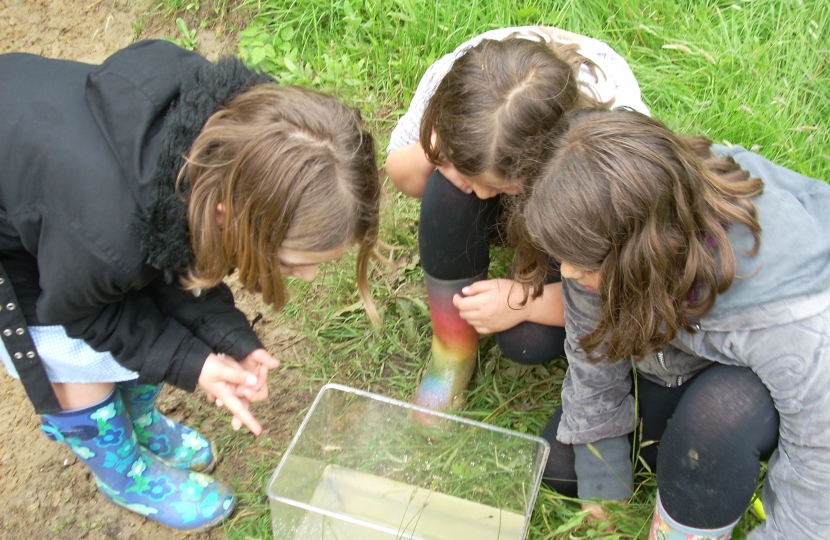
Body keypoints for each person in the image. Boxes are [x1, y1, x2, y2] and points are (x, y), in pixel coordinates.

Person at [0, 40, 380, 531]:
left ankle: (136, 421)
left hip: (59, 201)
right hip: (25, 256)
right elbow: (87, 313)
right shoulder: (109, 238)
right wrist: (190, 363)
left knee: (132, 309)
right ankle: (119, 468)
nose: (306, 276)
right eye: (292, 261)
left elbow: (177, 259)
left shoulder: (218, 143)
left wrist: (227, 339)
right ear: (228, 214)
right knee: (75, 356)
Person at [517, 108, 829, 539]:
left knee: (707, 436)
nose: (566, 272)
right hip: (693, 342)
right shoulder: (609, 222)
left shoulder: (788, 309)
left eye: (580, 262)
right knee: (565, 466)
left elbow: (819, 456)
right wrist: (605, 481)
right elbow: (594, 345)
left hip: (797, 365)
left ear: (641, 253)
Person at [385, 26, 649, 411]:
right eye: (475, 179)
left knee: (527, 339)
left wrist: (527, 302)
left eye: (501, 187)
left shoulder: (610, 151)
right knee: (448, 191)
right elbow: (400, 173)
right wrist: (442, 153)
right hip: (520, 168)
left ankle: (541, 256)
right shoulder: (458, 84)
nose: (482, 195)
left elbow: (626, 284)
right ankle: (451, 351)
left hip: (570, 209)